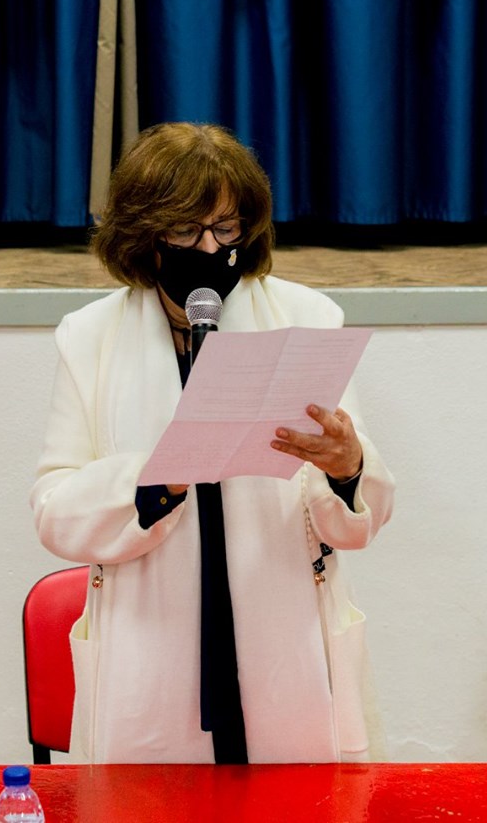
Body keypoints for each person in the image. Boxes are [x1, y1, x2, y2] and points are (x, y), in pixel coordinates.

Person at [31, 122, 394, 763]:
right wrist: (156, 478)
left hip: (286, 639)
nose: (209, 248)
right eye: (185, 230)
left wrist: (348, 467)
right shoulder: (89, 338)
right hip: (150, 649)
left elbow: (356, 521)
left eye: (226, 229)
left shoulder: (306, 319)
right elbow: (54, 511)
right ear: (145, 236)